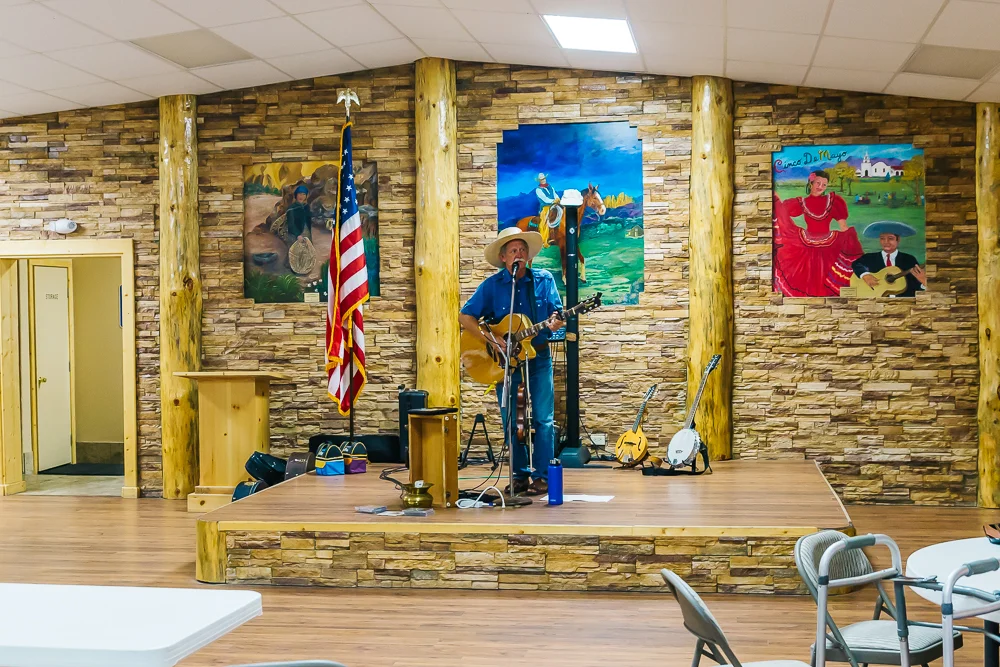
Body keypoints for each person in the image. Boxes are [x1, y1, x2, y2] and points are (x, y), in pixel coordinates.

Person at [458, 227, 563, 496]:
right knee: (513, 420)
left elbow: (557, 313)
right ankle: (518, 475)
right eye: (513, 250)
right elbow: (465, 317)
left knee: (543, 419)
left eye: (523, 249)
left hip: (538, 357)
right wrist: (492, 339)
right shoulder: (492, 286)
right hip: (505, 363)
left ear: (529, 255)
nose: (519, 253)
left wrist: (556, 322)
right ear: (503, 257)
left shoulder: (544, 280)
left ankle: (542, 477)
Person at [773, 169, 863, 297]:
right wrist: (775, 199)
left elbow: (843, 226)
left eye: (824, 184)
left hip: (830, 244)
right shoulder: (801, 202)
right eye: (818, 183)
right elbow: (782, 212)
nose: (820, 187)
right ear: (811, 183)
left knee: (828, 275)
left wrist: (849, 240)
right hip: (806, 243)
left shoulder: (833, 201)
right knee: (806, 277)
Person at [852, 221, 926, 298]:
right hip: (876, 301)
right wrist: (865, 275)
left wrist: (924, 282)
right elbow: (856, 264)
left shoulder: (909, 259)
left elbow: (916, 288)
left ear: (898, 240)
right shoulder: (869, 257)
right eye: (882, 238)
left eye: (890, 238)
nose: (886, 242)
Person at [534, 173, 559, 248]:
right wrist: (553, 201)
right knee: (545, 222)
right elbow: (544, 199)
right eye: (541, 179)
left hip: (555, 205)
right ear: (539, 181)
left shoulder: (550, 187)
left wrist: (557, 199)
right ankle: (544, 240)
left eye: (544, 179)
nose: (543, 180)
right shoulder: (538, 190)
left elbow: (555, 194)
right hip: (545, 207)